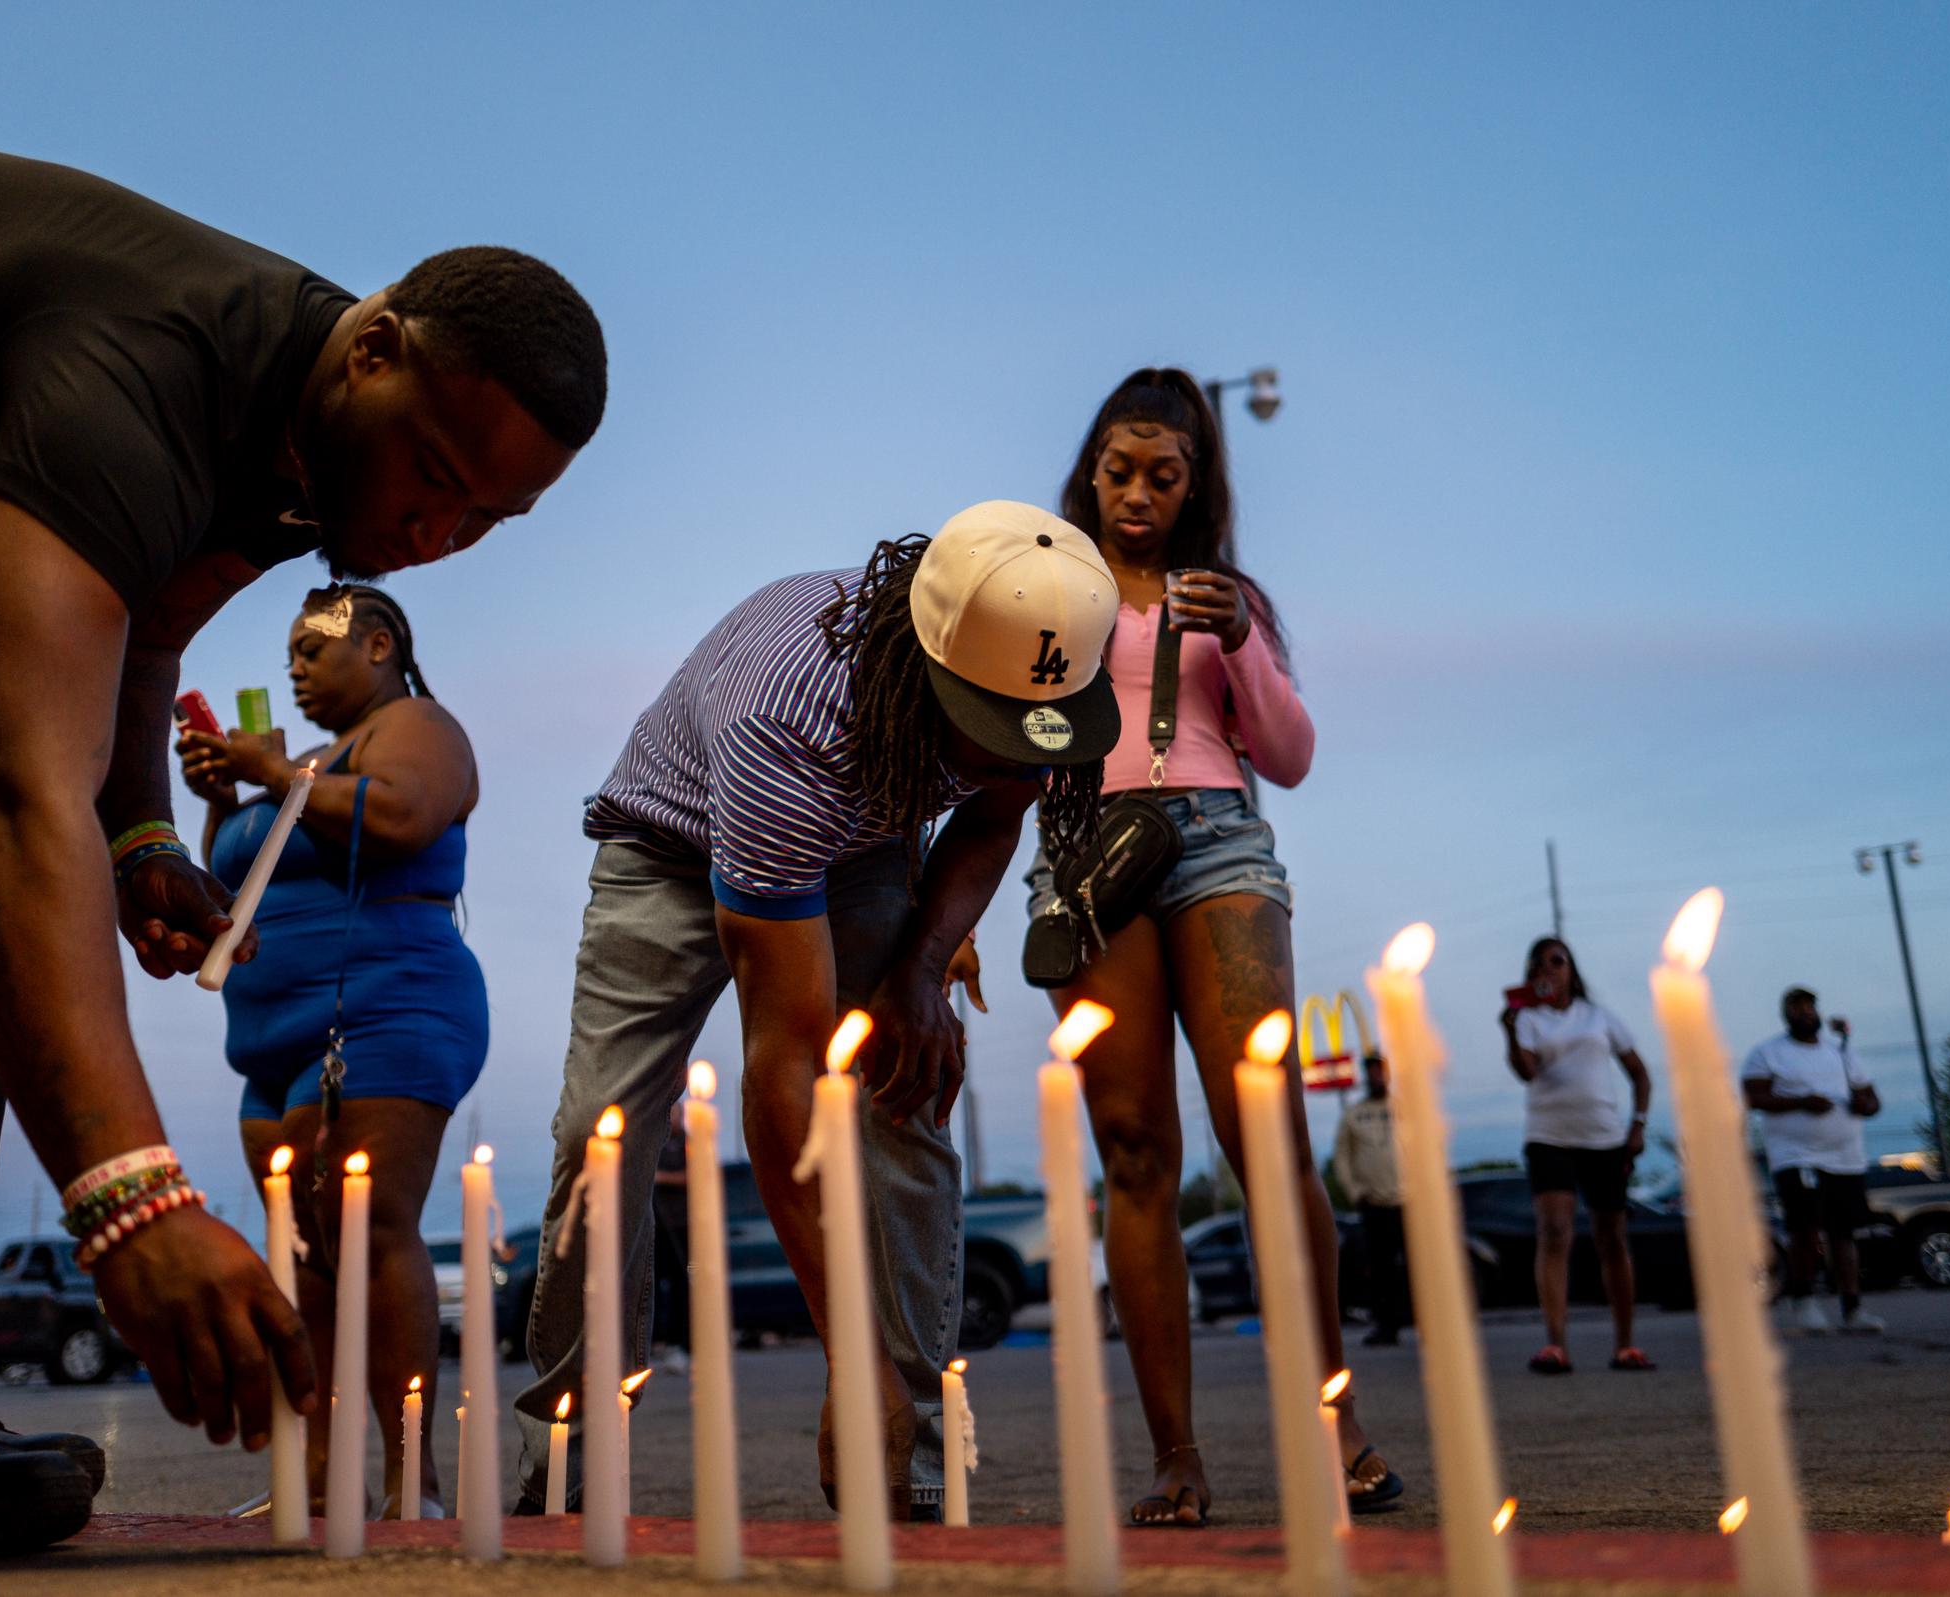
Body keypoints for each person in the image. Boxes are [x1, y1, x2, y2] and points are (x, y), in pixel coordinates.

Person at [0, 132, 604, 1567]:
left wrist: (139, 831)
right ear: (371, 345)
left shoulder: (315, 452)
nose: (431, 536)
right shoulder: (147, 377)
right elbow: (8, 796)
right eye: (433, 474)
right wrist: (131, 1199)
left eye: (484, 519)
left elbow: (150, 624)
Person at [513, 501, 1118, 1522]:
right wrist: (849, 1357)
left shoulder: (1028, 659)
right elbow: (782, 1077)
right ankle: (564, 1460)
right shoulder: (790, 727)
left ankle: (910, 1465)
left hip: (862, 832)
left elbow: (996, 810)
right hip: (678, 839)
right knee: (600, 1135)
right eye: (982, 731)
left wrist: (921, 967)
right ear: (921, 677)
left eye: (1028, 735)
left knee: (906, 1082)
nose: (1007, 755)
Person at [1025, 368, 1397, 1529]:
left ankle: (1335, 1425)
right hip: (1086, 857)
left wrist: (1237, 642)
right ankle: (1176, 1457)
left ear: (1196, 485)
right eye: (1121, 470)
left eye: (1164, 476)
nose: (1139, 494)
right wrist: (953, 921)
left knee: (1268, 1134)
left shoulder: (1229, 595)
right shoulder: (1041, 581)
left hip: (1216, 843)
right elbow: (995, 748)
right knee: (1134, 1150)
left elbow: (1289, 754)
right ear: (1092, 468)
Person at [177, 584, 486, 1514]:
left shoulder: (417, 725)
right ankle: (312, 1482)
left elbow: (399, 816)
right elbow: (240, 871)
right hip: (268, 1039)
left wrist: (272, 778)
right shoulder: (305, 764)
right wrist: (224, 796)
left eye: (315, 647)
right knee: (302, 1248)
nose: (297, 666)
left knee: (369, 1227)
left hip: (386, 1011)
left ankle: (410, 1480)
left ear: (381, 643)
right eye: (290, 655)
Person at [1500, 936, 1655, 1374]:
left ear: (1572, 969)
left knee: (1611, 1237)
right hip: (1550, 1136)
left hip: (1604, 1137)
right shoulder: (1528, 1018)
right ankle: (1555, 1344)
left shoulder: (1599, 1016)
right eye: (1540, 964)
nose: (1549, 970)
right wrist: (1510, 1030)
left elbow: (1639, 1074)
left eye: (1557, 961)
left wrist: (1638, 1124)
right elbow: (1527, 1072)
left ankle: (1625, 1344)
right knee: (1554, 1231)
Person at [1742, 989, 1883, 1335]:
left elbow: (1871, 1098)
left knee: (1843, 1232)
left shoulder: (1840, 1053)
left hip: (1845, 1158)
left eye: (1809, 1006)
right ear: (1785, 1014)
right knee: (1805, 1228)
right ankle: (1803, 1300)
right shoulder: (1768, 1053)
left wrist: (1864, 1105)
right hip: (1797, 1157)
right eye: (1797, 1007)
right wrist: (1801, 1102)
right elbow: (1753, 1096)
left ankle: (1852, 1308)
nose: (1805, 1012)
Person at [1333, 1055, 1408, 1347]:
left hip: (1408, 1200)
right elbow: (1342, 1157)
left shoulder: (1406, 1108)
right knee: (1381, 1267)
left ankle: (1433, 1322)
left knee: (1420, 1265)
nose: (1376, 1077)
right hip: (1374, 1203)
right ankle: (1386, 1326)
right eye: (1371, 1072)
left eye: (1381, 1072)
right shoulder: (1354, 1114)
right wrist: (1356, 1192)